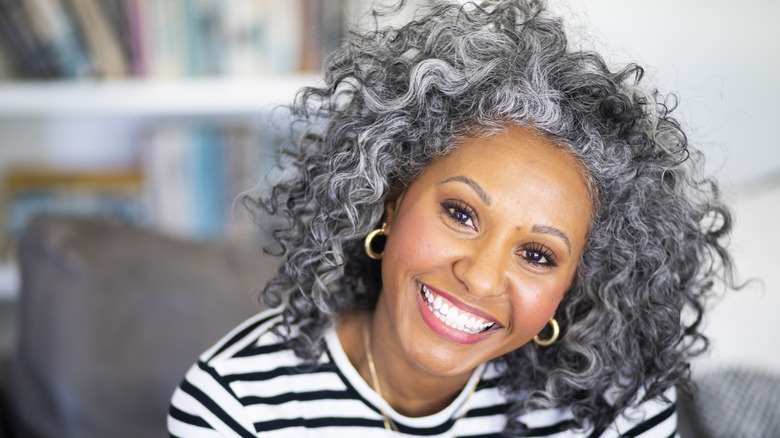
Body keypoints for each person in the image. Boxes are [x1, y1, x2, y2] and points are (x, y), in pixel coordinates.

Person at [168, 0, 734, 436]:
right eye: (461, 213)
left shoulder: (616, 410)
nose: (481, 277)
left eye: (538, 255)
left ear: (577, 283)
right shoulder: (235, 405)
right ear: (390, 198)